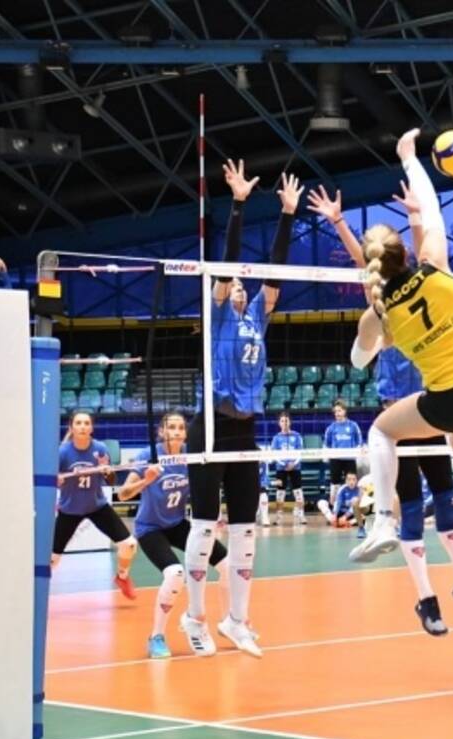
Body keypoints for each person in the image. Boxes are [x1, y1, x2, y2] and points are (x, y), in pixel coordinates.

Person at [308, 176, 453, 635]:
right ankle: (426, 600)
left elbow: (407, 261)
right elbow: (375, 264)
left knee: (446, 499)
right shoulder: (384, 305)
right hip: (404, 415)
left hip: (431, 406)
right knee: (413, 507)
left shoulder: (411, 292)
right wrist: (346, 224)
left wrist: (405, 218)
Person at [344, 128, 453, 586]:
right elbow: (433, 210)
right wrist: (408, 157)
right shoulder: (435, 266)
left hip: (450, 400)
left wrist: (376, 333)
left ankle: (383, 521)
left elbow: (359, 361)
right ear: (405, 252)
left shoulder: (378, 314)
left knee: (382, 431)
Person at [182, 160, 301, 660]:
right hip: (210, 427)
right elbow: (230, 263)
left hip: (245, 431)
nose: (239, 286)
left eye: (242, 285)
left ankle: (237, 619)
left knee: (246, 529)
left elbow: (272, 272)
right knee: (205, 525)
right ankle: (194, 617)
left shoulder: (257, 315)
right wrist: (237, 204)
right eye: (232, 284)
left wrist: (288, 214)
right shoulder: (216, 317)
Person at [117, 412, 232, 659]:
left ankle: (228, 623)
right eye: (171, 427)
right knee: (175, 574)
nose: (177, 431)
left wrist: (216, 516)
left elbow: (205, 491)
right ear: (161, 432)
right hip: (150, 528)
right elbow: (122, 494)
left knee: (227, 564)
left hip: (178, 524)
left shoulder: (190, 456)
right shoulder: (148, 455)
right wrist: (145, 481)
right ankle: (156, 637)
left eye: (181, 427)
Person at [54, 410, 138, 597]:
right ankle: (38, 593)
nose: (83, 427)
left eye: (86, 423)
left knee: (129, 544)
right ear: (71, 427)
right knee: (53, 559)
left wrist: (107, 471)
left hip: (96, 507)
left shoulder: (100, 448)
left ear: (91, 428)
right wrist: (58, 480)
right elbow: (54, 481)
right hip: (70, 510)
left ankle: (122, 576)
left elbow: (111, 481)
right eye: (78, 423)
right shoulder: (63, 452)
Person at [263, 410, 305, 526]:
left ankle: (301, 515)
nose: (284, 423)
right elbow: (274, 454)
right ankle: (278, 517)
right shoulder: (276, 438)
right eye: (282, 421)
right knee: (280, 492)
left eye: (286, 421)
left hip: (295, 468)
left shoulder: (297, 436)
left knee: (298, 492)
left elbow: (301, 452)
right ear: (279, 423)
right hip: (281, 469)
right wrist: (283, 464)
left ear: (290, 422)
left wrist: (293, 463)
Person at [323, 400, 363, 506]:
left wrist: (357, 453)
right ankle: (334, 507)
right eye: (335, 411)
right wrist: (327, 456)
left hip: (349, 459)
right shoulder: (331, 428)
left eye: (339, 411)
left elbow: (359, 442)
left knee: (352, 483)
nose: (337, 413)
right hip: (335, 460)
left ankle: (353, 507)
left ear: (344, 411)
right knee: (334, 484)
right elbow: (326, 444)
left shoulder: (353, 426)